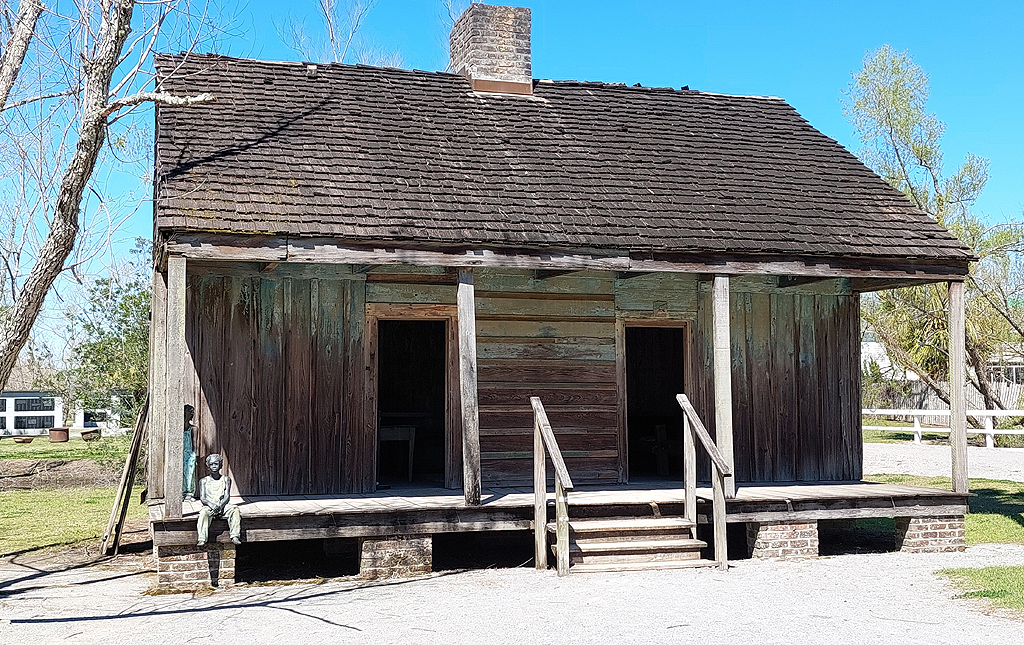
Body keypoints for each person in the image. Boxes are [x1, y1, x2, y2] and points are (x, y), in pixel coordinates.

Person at [196, 453, 242, 546]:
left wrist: (220, 506)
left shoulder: (226, 479)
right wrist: (212, 505)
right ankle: (202, 538)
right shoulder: (204, 481)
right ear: (208, 466)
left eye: (216, 464)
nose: (214, 466)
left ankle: (235, 535)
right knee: (203, 514)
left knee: (235, 510)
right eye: (211, 464)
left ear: (220, 465)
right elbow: (203, 498)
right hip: (209, 506)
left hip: (222, 505)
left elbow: (226, 496)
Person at [183, 405, 197, 502]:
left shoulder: (193, 429)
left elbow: (195, 444)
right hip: (179, 455)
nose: (192, 413)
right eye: (190, 411)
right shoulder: (177, 428)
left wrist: (194, 456)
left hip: (189, 455)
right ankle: (180, 493)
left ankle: (189, 493)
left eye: (193, 412)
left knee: (190, 474)